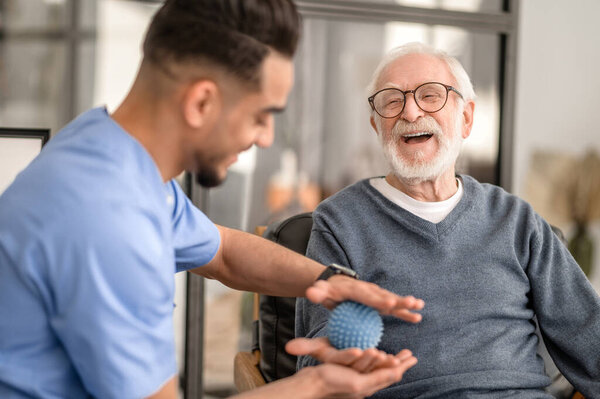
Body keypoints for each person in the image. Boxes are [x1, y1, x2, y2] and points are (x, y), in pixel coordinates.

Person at [0, 1, 427, 398]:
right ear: (202, 101)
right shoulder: (108, 222)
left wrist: (330, 281)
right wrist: (315, 385)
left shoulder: (109, 153)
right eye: (261, 116)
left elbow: (224, 253)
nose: (266, 138)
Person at [295, 42, 600, 398]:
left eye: (430, 95)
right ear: (376, 125)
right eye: (392, 101)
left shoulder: (517, 221)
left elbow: (588, 337)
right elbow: (318, 361)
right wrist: (343, 358)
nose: (410, 112)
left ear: (466, 117)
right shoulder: (340, 222)